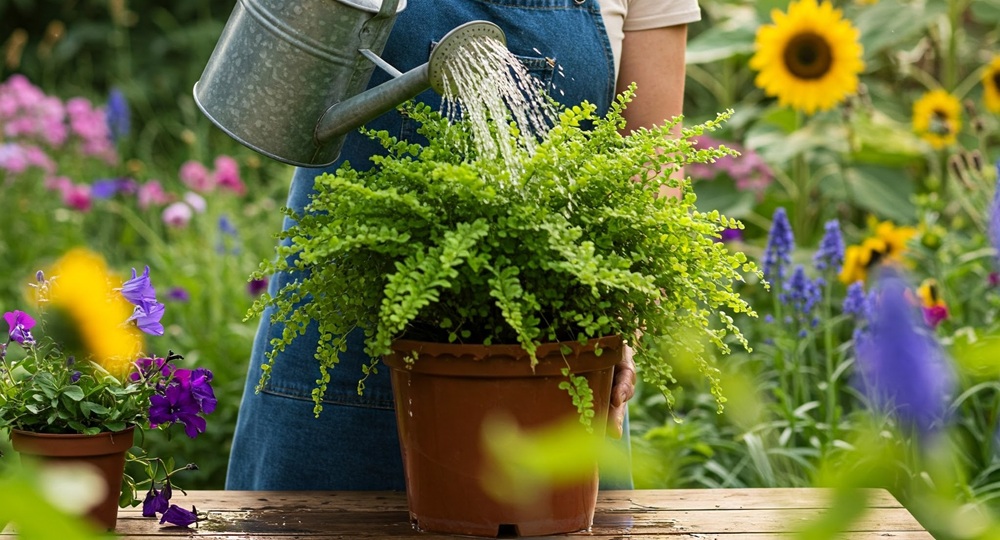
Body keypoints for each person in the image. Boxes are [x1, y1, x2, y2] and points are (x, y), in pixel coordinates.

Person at [226, 0, 701, 491]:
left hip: (562, 373)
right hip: (344, 362)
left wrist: (627, 318)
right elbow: (263, 96)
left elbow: (652, 165)